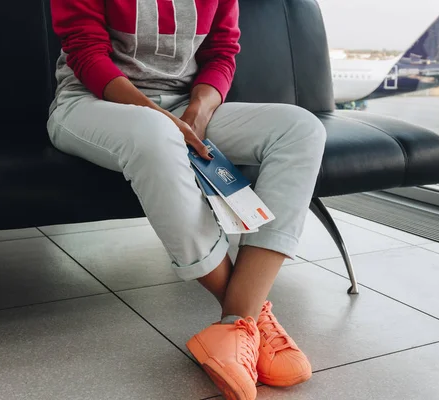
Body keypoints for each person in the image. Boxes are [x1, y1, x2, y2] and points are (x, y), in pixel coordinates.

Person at [48, 1, 326, 399]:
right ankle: (252, 318)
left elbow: (222, 51)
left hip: (184, 103)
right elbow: (86, 53)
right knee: (154, 134)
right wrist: (164, 120)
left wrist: (197, 112)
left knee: (301, 129)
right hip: (90, 103)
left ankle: (237, 319)